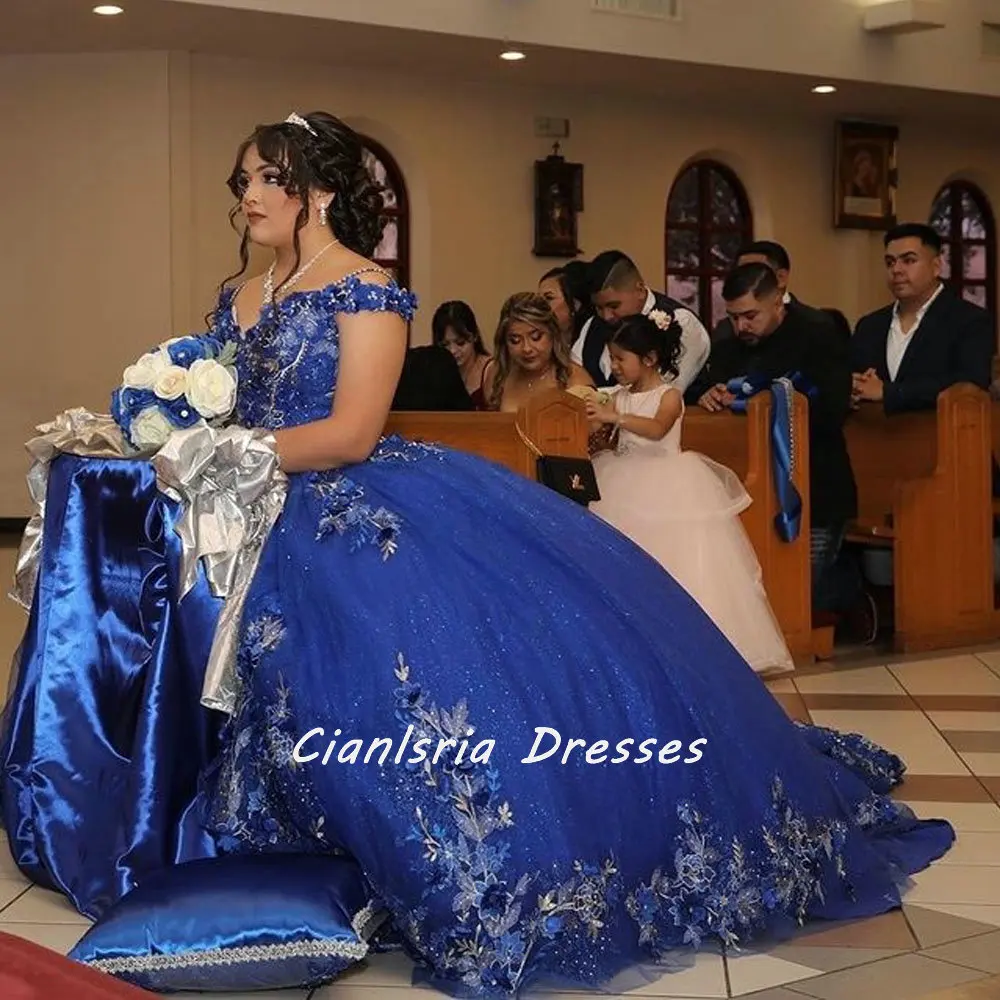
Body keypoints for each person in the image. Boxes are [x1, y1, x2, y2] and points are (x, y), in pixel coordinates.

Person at [2, 111, 953, 998]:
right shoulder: (238, 290)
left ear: (319, 192)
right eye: (243, 178)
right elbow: (227, 397)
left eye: (268, 178)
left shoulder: (368, 290)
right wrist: (172, 431)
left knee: (392, 678)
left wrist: (228, 453)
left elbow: (353, 432)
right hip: (242, 506)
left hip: (334, 501)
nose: (248, 194)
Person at [586, 311, 794, 676]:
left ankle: (697, 648)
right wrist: (600, 432)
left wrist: (614, 418)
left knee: (684, 564)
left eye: (621, 358)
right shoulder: (617, 397)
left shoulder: (670, 396)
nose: (614, 366)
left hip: (668, 482)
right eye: (612, 358)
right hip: (621, 480)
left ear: (648, 359)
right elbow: (617, 436)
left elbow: (655, 429)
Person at [685, 263, 873, 640]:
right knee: (768, 586)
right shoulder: (729, 344)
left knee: (805, 584)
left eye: (750, 316)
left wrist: (766, 400)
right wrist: (709, 393)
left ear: (777, 301)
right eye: (734, 317)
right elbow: (699, 386)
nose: (741, 327)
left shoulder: (818, 335)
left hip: (815, 482)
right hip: (753, 487)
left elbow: (833, 407)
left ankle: (854, 591)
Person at [851, 223, 994, 414]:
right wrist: (852, 387)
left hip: (940, 438)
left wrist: (889, 392)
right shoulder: (869, 326)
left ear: (936, 267)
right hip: (874, 438)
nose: (896, 270)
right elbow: (853, 377)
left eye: (908, 261)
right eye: (890, 262)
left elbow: (969, 386)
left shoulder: (970, 321)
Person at [571, 250, 710, 391]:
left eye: (614, 306)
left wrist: (593, 396)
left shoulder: (681, 322)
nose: (607, 316)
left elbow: (662, 392)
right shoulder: (593, 324)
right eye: (599, 308)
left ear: (640, 291)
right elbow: (573, 372)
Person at [485, 292, 593, 411]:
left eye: (536, 337)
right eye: (515, 340)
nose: (527, 348)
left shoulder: (576, 381)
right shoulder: (498, 376)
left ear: (552, 334)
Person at [431, 300, 492, 408]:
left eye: (460, 343)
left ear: (474, 337)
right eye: (445, 345)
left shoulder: (491, 369)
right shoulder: (434, 371)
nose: (452, 350)